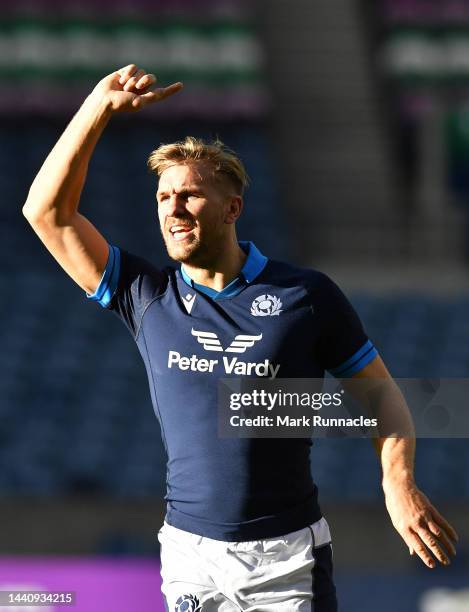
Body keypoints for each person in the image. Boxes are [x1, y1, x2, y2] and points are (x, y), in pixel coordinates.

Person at [23, 65, 458, 611]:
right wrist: (96, 107)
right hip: (189, 556)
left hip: (287, 559)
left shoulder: (306, 295)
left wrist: (398, 483)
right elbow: (46, 213)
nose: (173, 210)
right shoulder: (145, 294)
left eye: (189, 196)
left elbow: (382, 398)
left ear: (233, 208)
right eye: (163, 198)